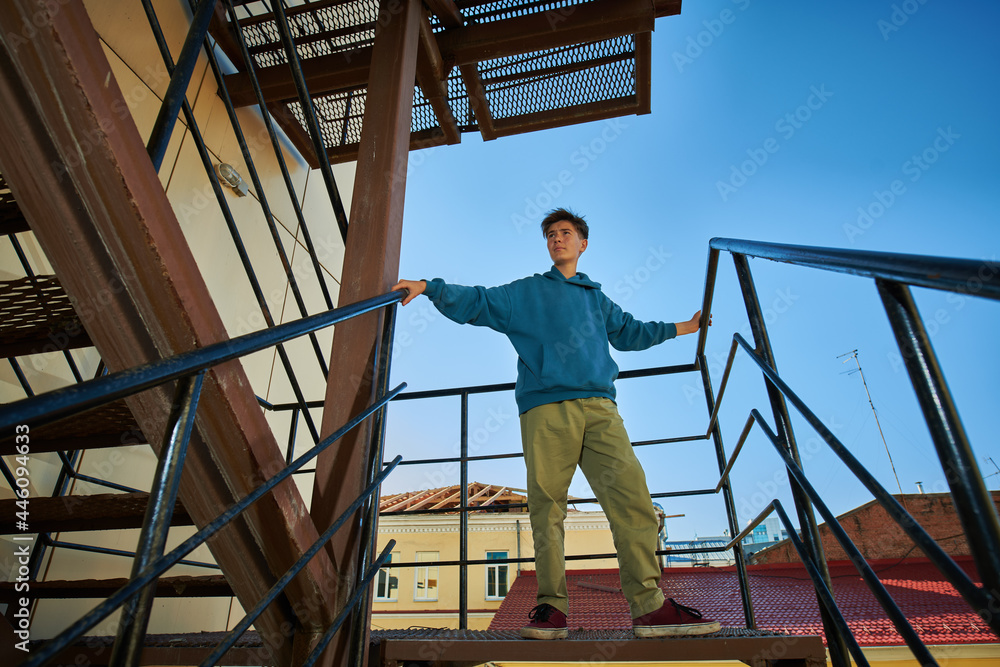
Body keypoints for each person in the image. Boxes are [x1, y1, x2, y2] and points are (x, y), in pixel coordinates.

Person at [392, 208, 720, 639]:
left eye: (565, 233)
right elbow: (479, 301)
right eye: (550, 234)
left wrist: (686, 328)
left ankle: (649, 607)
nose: (557, 239)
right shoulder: (528, 292)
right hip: (547, 410)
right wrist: (429, 287)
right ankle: (551, 608)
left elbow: (631, 332)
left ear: (583, 244)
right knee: (547, 508)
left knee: (633, 499)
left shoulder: (595, 298)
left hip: (601, 409)